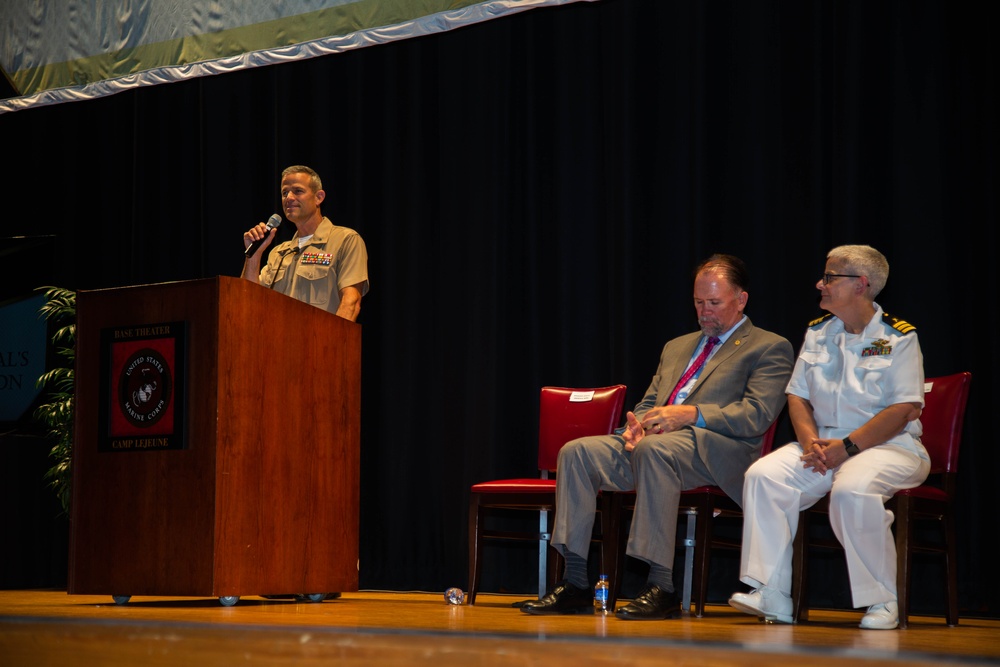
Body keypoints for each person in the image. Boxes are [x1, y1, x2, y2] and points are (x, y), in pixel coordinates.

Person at [521, 254, 795, 619]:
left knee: (655, 451)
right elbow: (651, 401)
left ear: (741, 300)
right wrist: (633, 429)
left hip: (718, 452)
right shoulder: (677, 346)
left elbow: (757, 415)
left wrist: (692, 415)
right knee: (576, 452)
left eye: (714, 303)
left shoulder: (769, 347)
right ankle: (574, 582)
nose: (704, 311)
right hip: (657, 445)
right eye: (699, 302)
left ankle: (662, 586)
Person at [728, 244, 927, 631]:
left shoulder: (898, 337)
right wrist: (809, 444)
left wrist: (847, 448)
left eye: (831, 277)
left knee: (852, 489)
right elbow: (797, 394)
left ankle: (882, 599)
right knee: (764, 476)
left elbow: (903, 409)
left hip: (889, 447)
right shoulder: (818, 333)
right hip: (823, 446)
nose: (820, 283)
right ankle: (772, 592)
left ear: (861, 285)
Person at [241, 165, 369, 321]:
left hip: (321, 342)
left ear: (319, 197)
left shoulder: (345, 240)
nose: (288, 198)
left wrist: (331, 344)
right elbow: (248, 300)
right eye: (284, 192)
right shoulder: (279, 253)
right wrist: (253, 254)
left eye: (298, 191)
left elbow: (351, 303)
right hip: (276, 343)